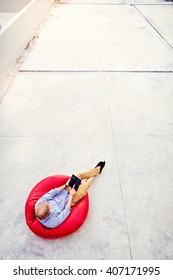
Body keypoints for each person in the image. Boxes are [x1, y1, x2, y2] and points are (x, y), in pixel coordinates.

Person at [35, 161, 105, 228]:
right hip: (70, 201)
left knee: (78, 176)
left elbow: (53, 192)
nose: (49, 204)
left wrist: (65, 185)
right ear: (48, 214)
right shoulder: (51, 223)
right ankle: (98, 170)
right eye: (49, 206)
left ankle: (95, 170)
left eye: (48, 203)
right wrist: (71, 195)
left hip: (65, 190)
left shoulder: (39, 204)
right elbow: (66, 210)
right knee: (86, 185)